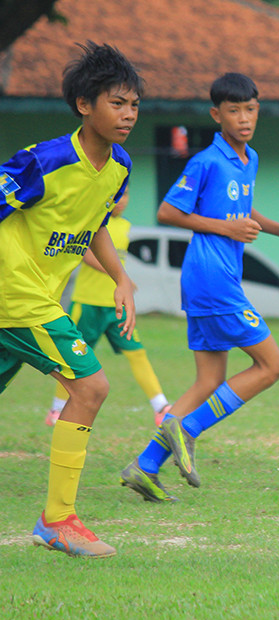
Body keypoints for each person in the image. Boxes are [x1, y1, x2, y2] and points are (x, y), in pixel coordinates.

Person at [119, 73, 279, 502]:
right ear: (217, 114)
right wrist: (224, 226)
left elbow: (244, 208)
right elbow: (169, 212)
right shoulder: (207, 161)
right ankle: (184, 428)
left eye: (250, 109)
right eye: (233, 110)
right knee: (272, 366)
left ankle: (145, 466)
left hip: (216, 278)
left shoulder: (249, 159)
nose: (243, 118)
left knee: (209, 379)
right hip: (210, 279)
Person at [0, 42, 143, 557]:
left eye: (133, 104)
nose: (127, 114)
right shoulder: (46, 160)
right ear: (85, 105)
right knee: (91, 385)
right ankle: (57, 520)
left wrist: (120, 278)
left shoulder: (119, 167)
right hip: (15, 295)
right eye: (116, 103)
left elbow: (95, 223)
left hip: (32, 298)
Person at [45, 187, 173, 427]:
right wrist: (118, 275)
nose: (121, 202)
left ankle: (161, 406)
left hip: (116, 305)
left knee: (137, 352)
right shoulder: (92, 222)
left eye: (125, 196)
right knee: (74, 357)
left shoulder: (125, 227)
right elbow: (85, 255)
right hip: (87, 303)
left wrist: (121, 281)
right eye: (116, 197)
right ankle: (56, 409)